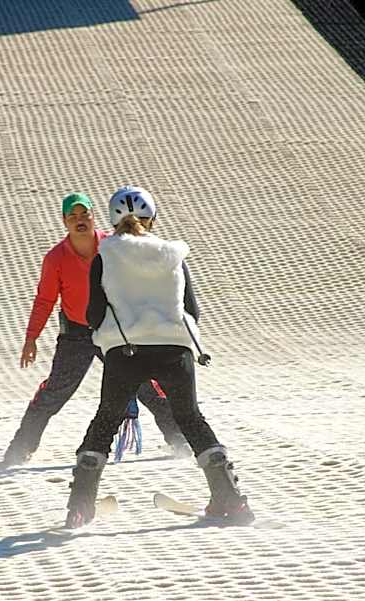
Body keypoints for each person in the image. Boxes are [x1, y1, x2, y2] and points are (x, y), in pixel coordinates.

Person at [64, 185, 254, 528]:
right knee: (191, 419)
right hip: (174, 350)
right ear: (152, 219)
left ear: (112, 219)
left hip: (126, 352)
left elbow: (92, 313)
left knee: (105, 422)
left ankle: (80, 507)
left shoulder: (104, 257)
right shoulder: (172, 255)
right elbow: (191, 311)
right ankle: (231, 500)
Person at [1, 192, 189, 467]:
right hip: (76, 333)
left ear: (93, 217)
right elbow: (44, 300)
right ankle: (20, 449)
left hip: (113, 329)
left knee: (145, 384)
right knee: (56, 389)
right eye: (72, 216)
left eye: (84, 215)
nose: (79, 221)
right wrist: (31, 338)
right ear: (64, 221)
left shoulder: (111, 247)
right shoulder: (56, 258)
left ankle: (179, 439)